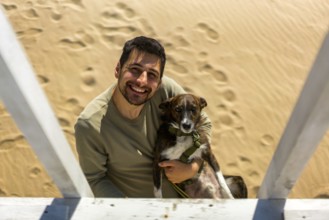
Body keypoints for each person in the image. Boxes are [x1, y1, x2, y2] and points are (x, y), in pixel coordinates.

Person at [74, 36, 211, 198]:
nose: (141, 81)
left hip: (198, 199)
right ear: (118, 69)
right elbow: (95, 179)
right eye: (134, 69)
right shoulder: (90, 124)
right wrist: (127, 210)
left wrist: (192, 168)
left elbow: (204, 124)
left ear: (159, 82)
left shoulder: (166, 91)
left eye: (152, 74)